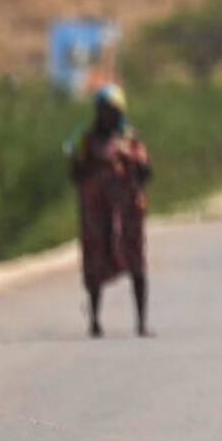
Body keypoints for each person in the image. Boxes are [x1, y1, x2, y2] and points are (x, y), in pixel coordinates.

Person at [69, 84, 153, 338]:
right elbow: (75, 174)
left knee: (136, 262)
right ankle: (95, 320)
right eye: (104, 111)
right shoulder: (86, 140)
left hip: (127, 212)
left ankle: (141, 322)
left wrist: (130, 164)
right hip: (97, 212)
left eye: (113, 111)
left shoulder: (131, 139)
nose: (108, 116)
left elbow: (146, 173)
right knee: (95, 263)